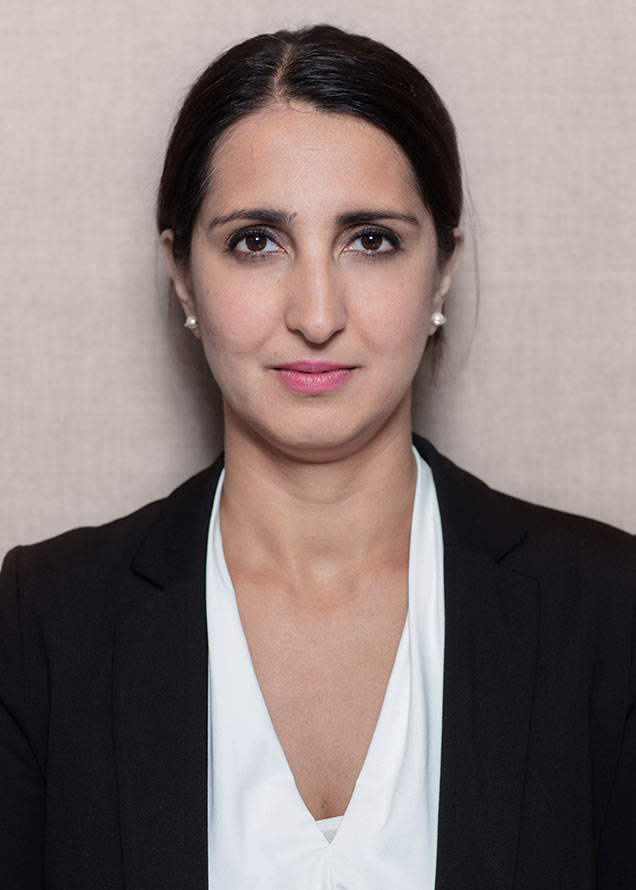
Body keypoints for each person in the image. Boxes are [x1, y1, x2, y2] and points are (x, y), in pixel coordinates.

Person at [0, 23, 634, 890]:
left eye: (370, 239)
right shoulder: (42, 625)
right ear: (182, 272)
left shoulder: (610, 615)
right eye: (256, 241)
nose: (317, 314)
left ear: (444, 266)